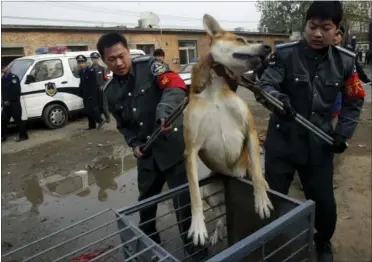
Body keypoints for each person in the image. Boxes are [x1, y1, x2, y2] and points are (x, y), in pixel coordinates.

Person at [257, 2, 365, 262]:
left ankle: (323, 241)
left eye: (326, 28)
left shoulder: (345, 62)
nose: (317, 33)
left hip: (319, 144)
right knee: (272, 200)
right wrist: (278, 100)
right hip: (282, 143)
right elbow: (265, 86)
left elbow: (354, 101)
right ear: (305, 26)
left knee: (324, 204)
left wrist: (343, 134)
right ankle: (272, 243)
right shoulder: (284, 55)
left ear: (337, 29)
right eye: (312, 26)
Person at [96, 32, 208, 259]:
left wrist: (164, 112)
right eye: (111, 59)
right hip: (146, 155)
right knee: (145, 203)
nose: (118, 63)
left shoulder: (151, 68)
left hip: (171, 149)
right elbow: (123, 125)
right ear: (103, 60)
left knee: (184, 202)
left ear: (128, 52)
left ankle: (195, 250)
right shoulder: (110, 91)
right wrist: (134, 143)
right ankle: (148, 244)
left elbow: (176, 86)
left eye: (121, 56)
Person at [76, 55, 105, 130]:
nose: (81, 64)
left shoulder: (91, 71)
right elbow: (82, 83)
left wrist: (92, 94)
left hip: (92, 93)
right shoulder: (81, 72)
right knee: (88, 110)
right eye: (79, 63)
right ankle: (92, 125)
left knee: (93, 108)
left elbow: (94, 83)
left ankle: (100, 120)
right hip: (85, 94)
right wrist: (80, 92)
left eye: (82, 63)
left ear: (85, 63)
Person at [1, 66, 29, 142]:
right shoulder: (3, 78)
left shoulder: (14, 77)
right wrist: (4, 101)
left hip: (14, 103)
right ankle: (2, 137)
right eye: (1, 69)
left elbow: (16, 90)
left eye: (3, 68)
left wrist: (9, 100)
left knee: (18, 120)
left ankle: (24, 136)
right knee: (3, 120)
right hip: (6, 104)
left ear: (7, 68)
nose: (3, 69)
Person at [90, 52, 111, 123]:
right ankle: (99, 119)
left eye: (96, 58)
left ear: (98, 59)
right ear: (91, 59)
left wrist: (103, 86)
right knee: (96, 105)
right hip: (94, 90)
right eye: (93, 59)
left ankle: (107, 117)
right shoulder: (90, 69)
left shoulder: (102, 69)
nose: (94, 60)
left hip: (102, 89)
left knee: (104, 105)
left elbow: (106, 79)